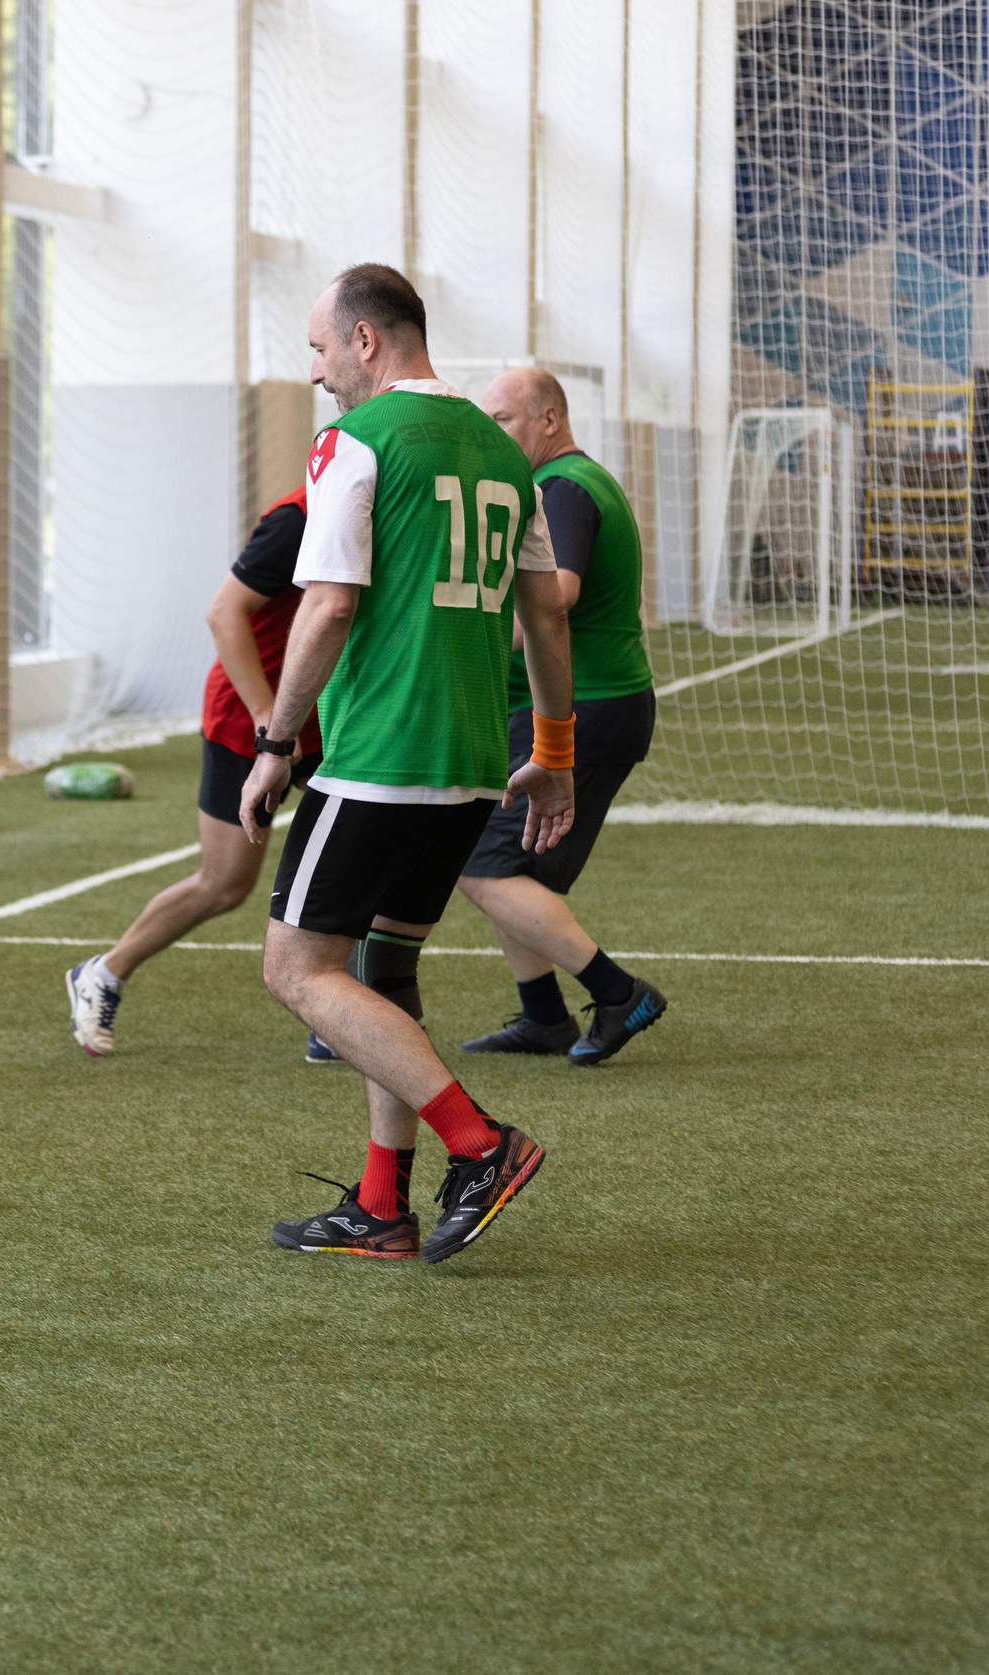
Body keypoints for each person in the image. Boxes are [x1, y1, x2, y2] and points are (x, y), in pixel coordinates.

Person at [236, 264, 577, 1264]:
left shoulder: (353, 441)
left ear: (366, 342)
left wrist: (272, 743)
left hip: (382, 753)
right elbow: (544, 611)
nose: (314, 371)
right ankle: (381, 1206)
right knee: (383, 970)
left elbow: (330, 606)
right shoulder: (505, 457)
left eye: (318, 348)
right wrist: (551, 750)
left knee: (296, 968)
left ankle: (478, 1146)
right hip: (472, 759)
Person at [62, 485, 331, 1059]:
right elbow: (223, 612)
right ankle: (104, 973)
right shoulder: (297, 519)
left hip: (331, 714)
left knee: (360, 857)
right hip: (249, 717)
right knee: (225, 883)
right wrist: (268, 720)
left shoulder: (391, 508)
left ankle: (338, 1015)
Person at [457, 368, 666, 1064]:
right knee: (524, 874)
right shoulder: (574, 480)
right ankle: (544, 1018)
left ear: (549, 419)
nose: (492, 435)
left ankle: (616, 993)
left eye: (505, 421)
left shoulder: (563, 488)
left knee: (485, 871)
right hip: (601, 704)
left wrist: (466, 651)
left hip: (580, 705)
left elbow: (554, 595)